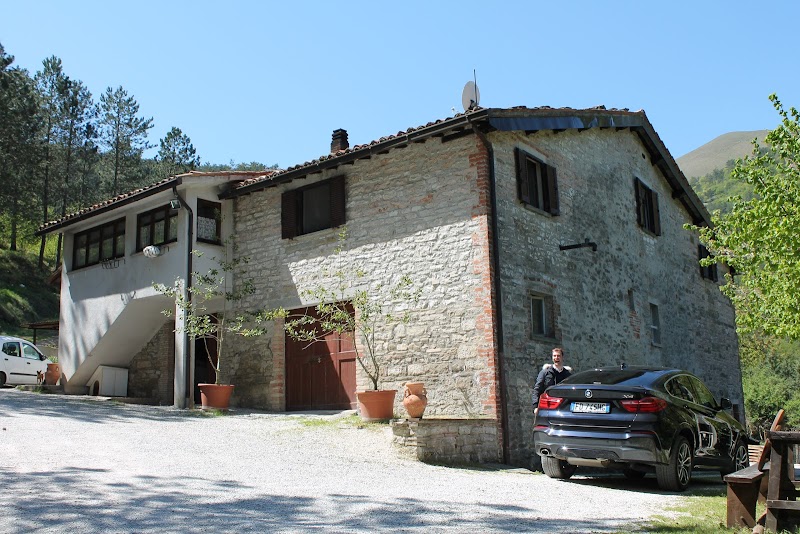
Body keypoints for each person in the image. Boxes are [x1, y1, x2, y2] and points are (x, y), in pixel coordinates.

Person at [532, 347, 572, 414]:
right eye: (554, 356)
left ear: (562, 357)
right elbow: (537, 389)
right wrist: (535, 406)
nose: (556, 358)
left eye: (558, 356)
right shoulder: (545, 373)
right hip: (547, 406)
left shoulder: (567, 375)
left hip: (563, 408)